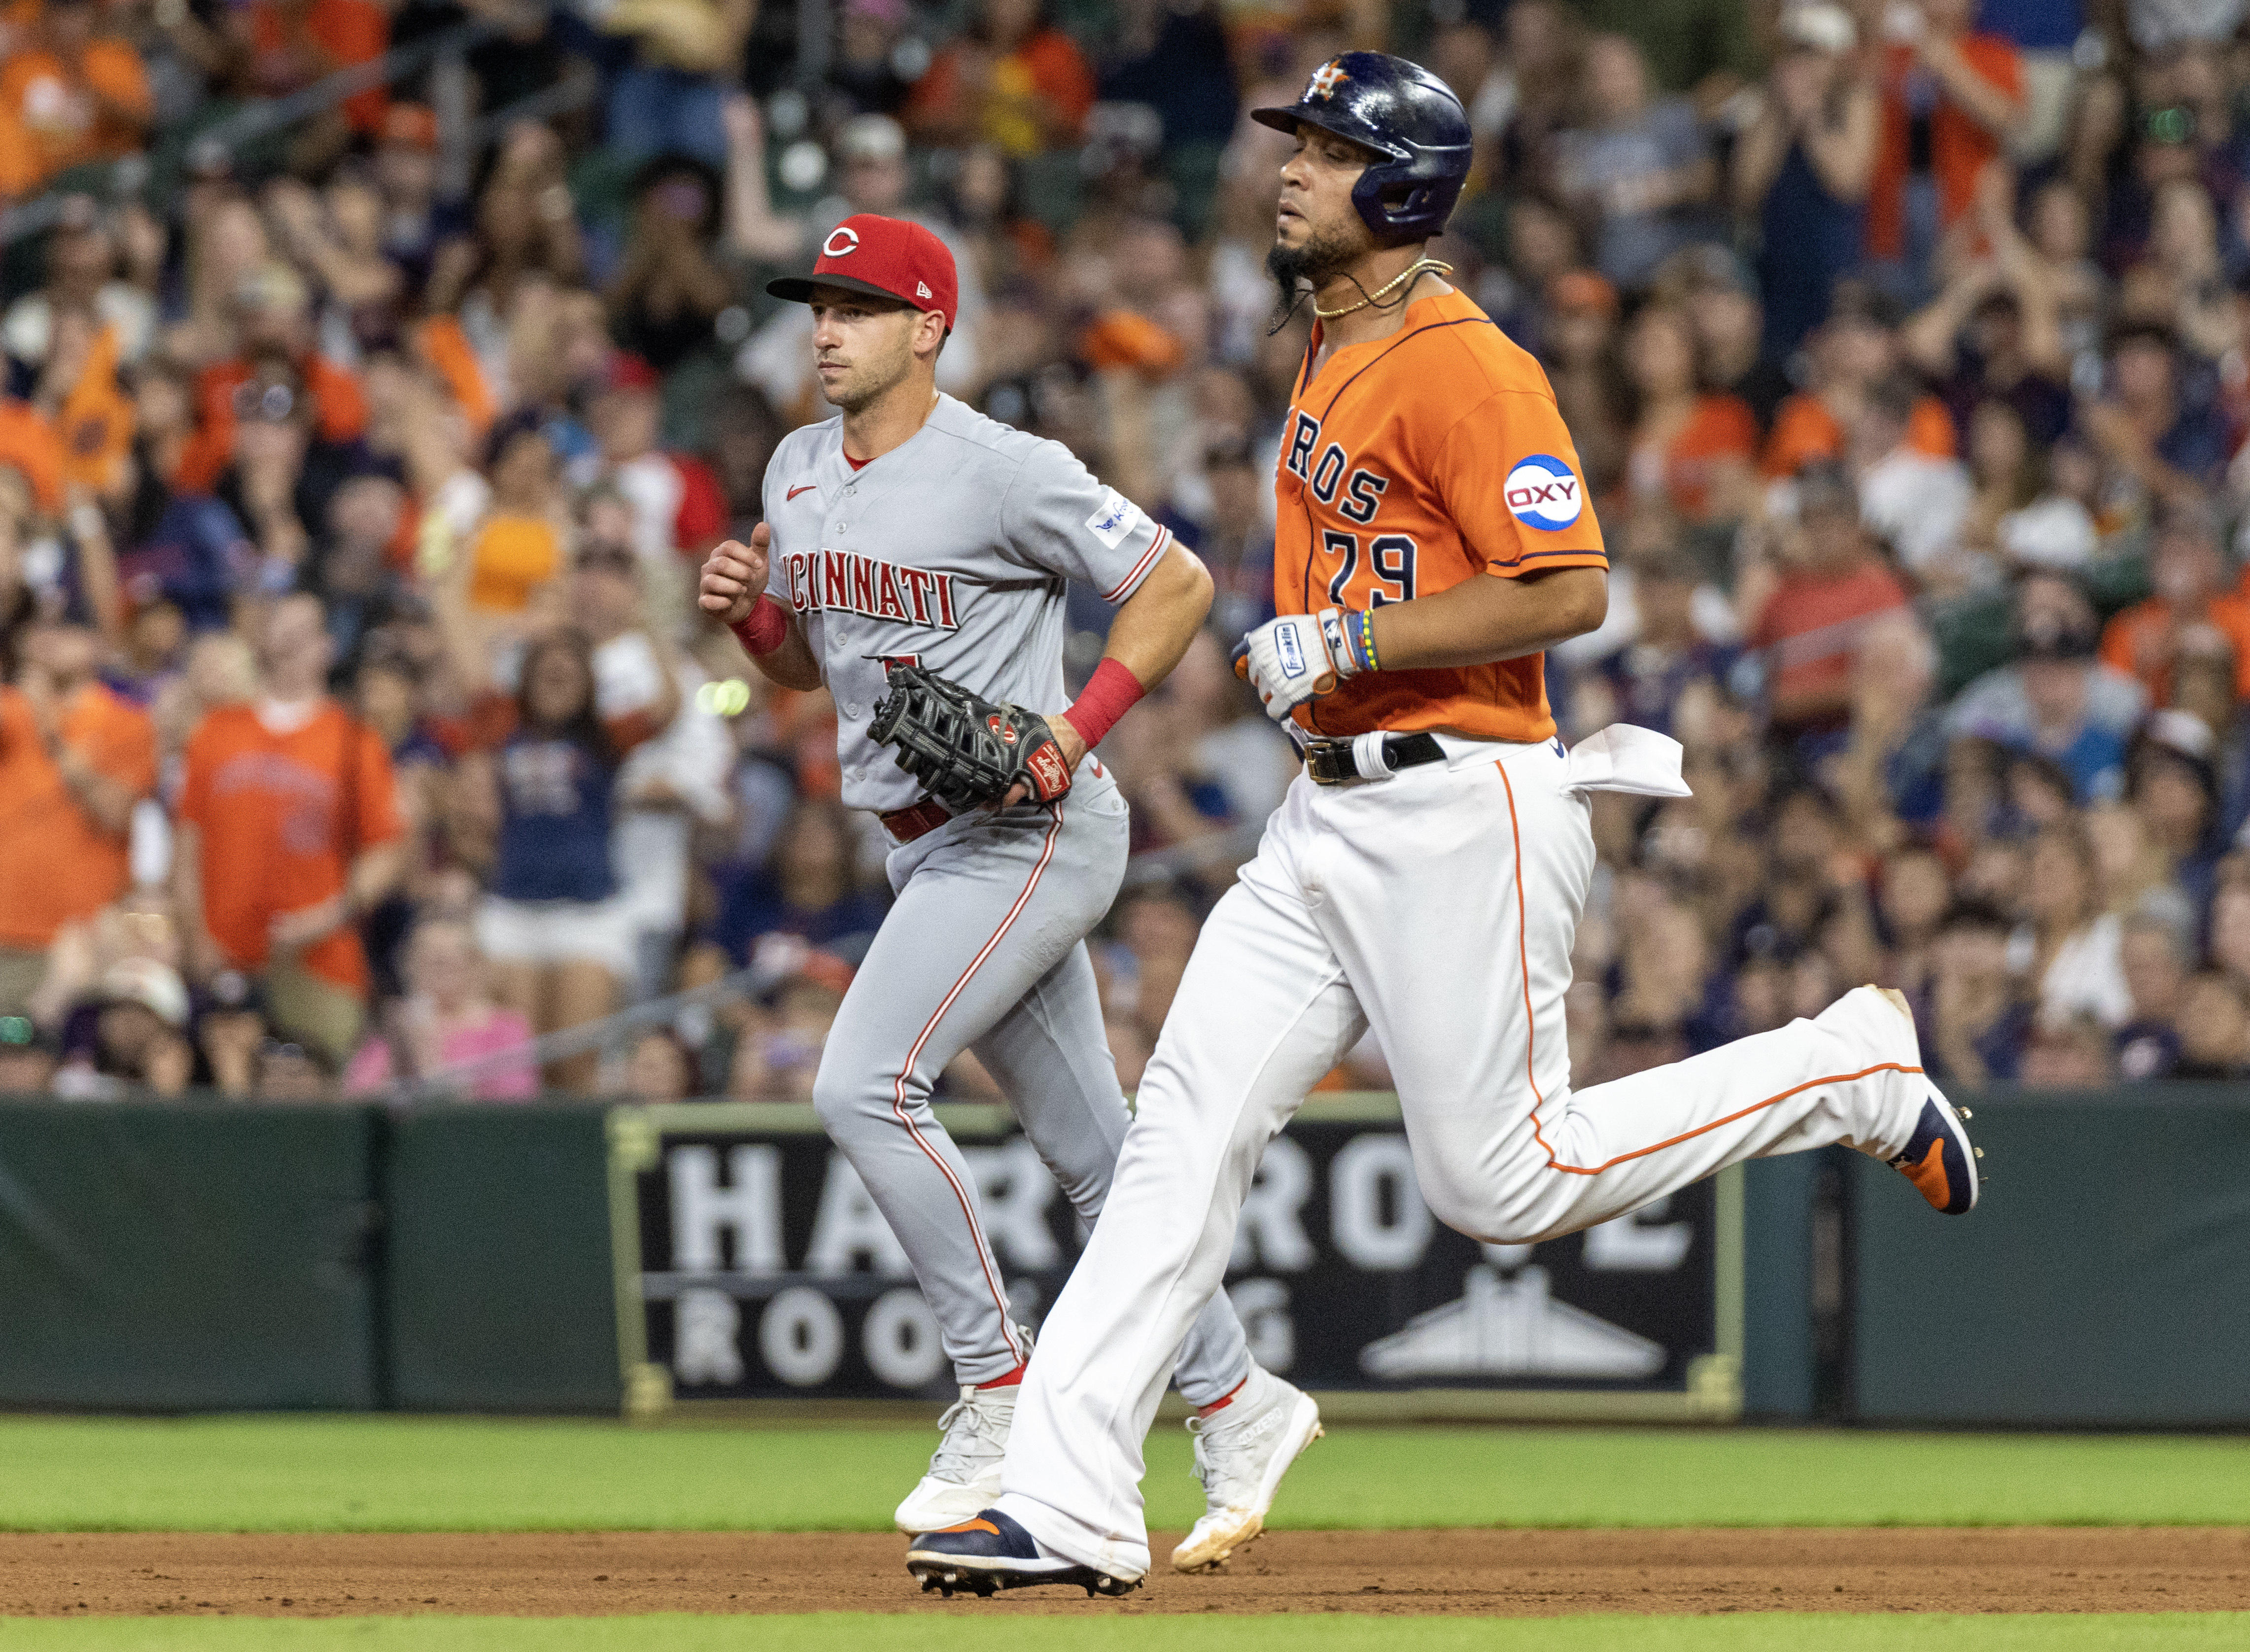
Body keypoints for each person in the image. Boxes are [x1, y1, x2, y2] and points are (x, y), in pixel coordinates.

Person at [909, 52, 1981, 1600]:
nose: (1288, 168)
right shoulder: (1333, 342)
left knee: (1506, 1183)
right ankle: (1069, 1500)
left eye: (1328, 150)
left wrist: (1350, 641)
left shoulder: (1465, 363)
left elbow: (1571, 583)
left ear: (1400, 189)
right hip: (1324, 818)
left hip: (1460, 799)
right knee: (1178, 1137)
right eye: (1292, 142)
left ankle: (1848, 1070)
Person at [695, 211, 1283, 1555]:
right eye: (816, 306)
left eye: (854, 306)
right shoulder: (795, 469)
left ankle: (997, 1385)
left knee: (859, 1083)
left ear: (927, 327)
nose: (825, 329)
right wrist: (754, 619)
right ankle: (1236, 1398)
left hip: (1032, 828)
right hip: (921, 839)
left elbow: (1175, 584)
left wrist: (1075, 729)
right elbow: (809, 668)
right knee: (1094, 1154)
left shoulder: (1006, 469)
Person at [173, 593, 404, 1067]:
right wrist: (196, 932)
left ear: (327, 646)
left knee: (320, 1091)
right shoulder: (217, 730)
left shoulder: (353, 738)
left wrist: (324, 916)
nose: (290, 640)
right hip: (223, 955)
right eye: (282, 625)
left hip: (319, 960)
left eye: (305, 630)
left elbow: (386, 852)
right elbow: (188, 842)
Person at [0, 620, 158, 1015]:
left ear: (98, 645)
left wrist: (51, 729)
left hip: (77, 942)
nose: (49, 637)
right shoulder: (11, 709)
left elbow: (115, 814)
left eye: (68, 626)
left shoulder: (127, 721)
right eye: (39, 628)